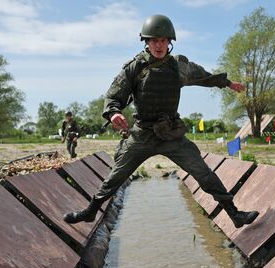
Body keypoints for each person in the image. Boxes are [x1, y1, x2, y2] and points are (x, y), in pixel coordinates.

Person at [63, 14, 259, 228]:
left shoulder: (178, 66)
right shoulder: (134, 67)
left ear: (170, 42)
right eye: (154, 40)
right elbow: (113, 96)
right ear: (146, 42)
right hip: (142, 135)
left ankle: (235, 215)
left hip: (171, 134)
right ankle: (91, 211)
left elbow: (204, 76)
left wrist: (228, 83)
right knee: (115, 177)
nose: (159, 45)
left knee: (204, 173)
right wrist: (113, 113)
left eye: (164, 40)